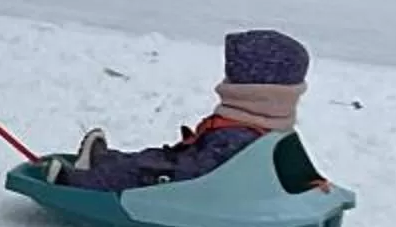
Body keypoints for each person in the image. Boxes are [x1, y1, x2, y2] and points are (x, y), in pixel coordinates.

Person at [44, 30, 312, 191]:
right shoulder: (268, 125)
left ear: (249, 88)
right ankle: (105, 160)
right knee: (153, 158)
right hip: (209, 175)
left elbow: (192, 175)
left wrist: (162, 173)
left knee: (145, 172)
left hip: (192, 187)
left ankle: (80, 182)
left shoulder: (236, 135)